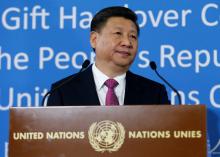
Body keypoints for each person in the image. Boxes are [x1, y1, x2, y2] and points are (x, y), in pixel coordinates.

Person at [47, 6, 170, 106]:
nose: (127, 42)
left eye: (133, 36)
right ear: (94, 39)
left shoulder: (155, 93)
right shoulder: (62, 91)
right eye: (118, 33)